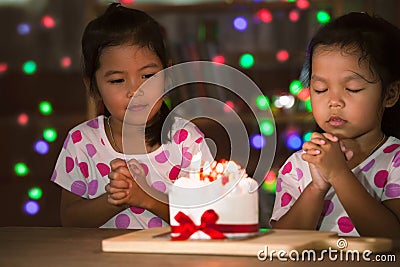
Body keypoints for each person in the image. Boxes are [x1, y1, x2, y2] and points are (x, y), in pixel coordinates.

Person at [51, 3, 213, 229]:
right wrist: (116, 199)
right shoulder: (81, 142)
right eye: (117, 80)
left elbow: (206, 220)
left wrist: (145, 197)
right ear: (93, 88)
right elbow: (69, 221)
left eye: (148, 75)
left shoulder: (186, 140)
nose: (136, 91)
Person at [270, 12, 400, 238]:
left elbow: (392, 239)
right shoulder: (299, 166)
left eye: (352, 89)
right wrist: (316, 188)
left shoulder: (394, 162)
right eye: (320, 89)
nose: (334, 101)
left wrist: (339, 174)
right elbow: (281, 242)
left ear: (390, 94)